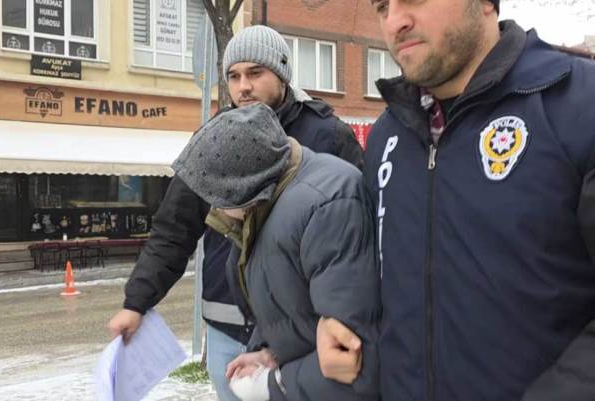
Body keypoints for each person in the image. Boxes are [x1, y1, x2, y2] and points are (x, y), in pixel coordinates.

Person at [316, 0, 595, 400]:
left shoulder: (578, 103)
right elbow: (382, 278)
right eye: (381, 6)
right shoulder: (386, 136)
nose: (395, 22)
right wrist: (339, 319)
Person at [108, 25, 363, 400]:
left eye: (255, 73)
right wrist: (137, 302)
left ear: (282, 73)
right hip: (228, 326)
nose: (243, 87)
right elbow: (173, 229)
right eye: (233, 76)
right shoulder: (216, 140)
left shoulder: (327, 135)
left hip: (304, 332)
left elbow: (359, 233)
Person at [172, 102, 380, 401]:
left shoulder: (327, 206)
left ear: (241, 185)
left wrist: (276, 384)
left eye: (213, 195)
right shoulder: (272, 201)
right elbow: (291, 306)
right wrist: (269, 352)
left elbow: (351, 361)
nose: (213, 207)